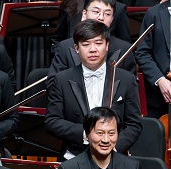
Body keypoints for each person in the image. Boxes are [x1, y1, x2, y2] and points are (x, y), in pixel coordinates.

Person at [45, 20, 142, 160]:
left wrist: (113, 146)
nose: (93, 49)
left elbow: (134, 124)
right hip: (74, 156)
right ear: (76, 48)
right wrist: (85, 134)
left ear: (107, 45)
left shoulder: (126, 79)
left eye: (98, 43)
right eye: (86, 44)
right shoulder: (61, 79)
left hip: (114, 156)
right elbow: (52, 121)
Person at [50, 0, 138, 75]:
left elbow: (131, 83)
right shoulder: (64, 47)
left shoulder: (125, 49)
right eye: (96, 12)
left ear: (112, 19)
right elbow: (54, 82)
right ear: (84, 14)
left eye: (107, 14)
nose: (101, 17)